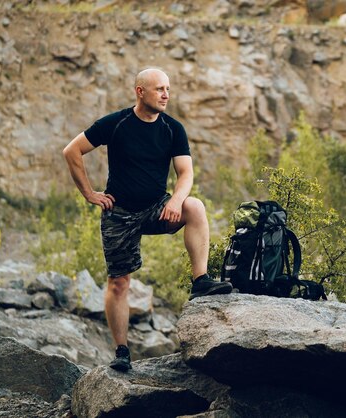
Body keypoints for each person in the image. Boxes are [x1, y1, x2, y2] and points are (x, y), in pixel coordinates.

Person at [62, 68, 232, 372]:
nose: (166, 95)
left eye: (168, 89)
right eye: (159, 89)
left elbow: (186, 173)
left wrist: (176, 200)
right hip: (120, 213)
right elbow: (72, 151)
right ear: (140, 91)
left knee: (194, 207)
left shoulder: (172, 129)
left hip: (157, 208)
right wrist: (89, 193)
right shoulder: (116, 123)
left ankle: (200, 281)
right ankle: (122, 351)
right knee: (119, 283)